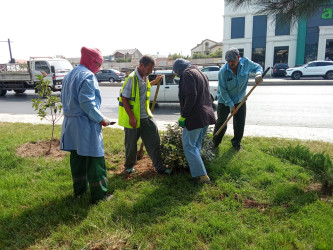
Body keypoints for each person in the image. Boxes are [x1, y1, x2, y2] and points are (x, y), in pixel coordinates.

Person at [60, 46, 114, 205]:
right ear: (93, 61)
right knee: (95, 159)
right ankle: (99, 196)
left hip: (70, 125)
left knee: (77, 158)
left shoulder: (70, 74)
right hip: (85, 125)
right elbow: (88, 104)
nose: (99, 69)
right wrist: (102, 119)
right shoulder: (88, 76)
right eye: (98, 65)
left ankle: (79, 192)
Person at [118, 55, 171, 175]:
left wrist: (155, 81)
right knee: (131, 145)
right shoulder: (132, 78)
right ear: (142, 65)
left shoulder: (144, 77)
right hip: (133, 119)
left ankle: (159, 167)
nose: (150, 72)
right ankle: (129, 167)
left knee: (154, 141)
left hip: (146, 116)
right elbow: (124, 98)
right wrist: (131, 116)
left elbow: (144, 88)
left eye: (152, 70)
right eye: (149, 69)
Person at [173, 58, 216, 184]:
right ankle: (201, 173)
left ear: (179, 70)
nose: (177, 75)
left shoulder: (187, 74)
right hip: (206, 116)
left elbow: (191, 95)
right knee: (196, 145)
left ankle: (202, 176)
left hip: (195, 118)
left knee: (189, 146)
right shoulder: (200, 73)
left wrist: (184, 116)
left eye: (176, 72)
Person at [213, 47, 263, 151]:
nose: (231, 63)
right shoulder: (223, 72)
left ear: (238, 57)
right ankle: (214, 144)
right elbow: (223, 91)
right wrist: (231, 105)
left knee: (239, 123)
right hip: (224, 101)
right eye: (228, 61)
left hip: (241, 99)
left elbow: (258, 67)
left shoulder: (246, 63)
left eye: (233, 60)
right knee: (222, 122)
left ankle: (236, 143)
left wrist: (258, 74)